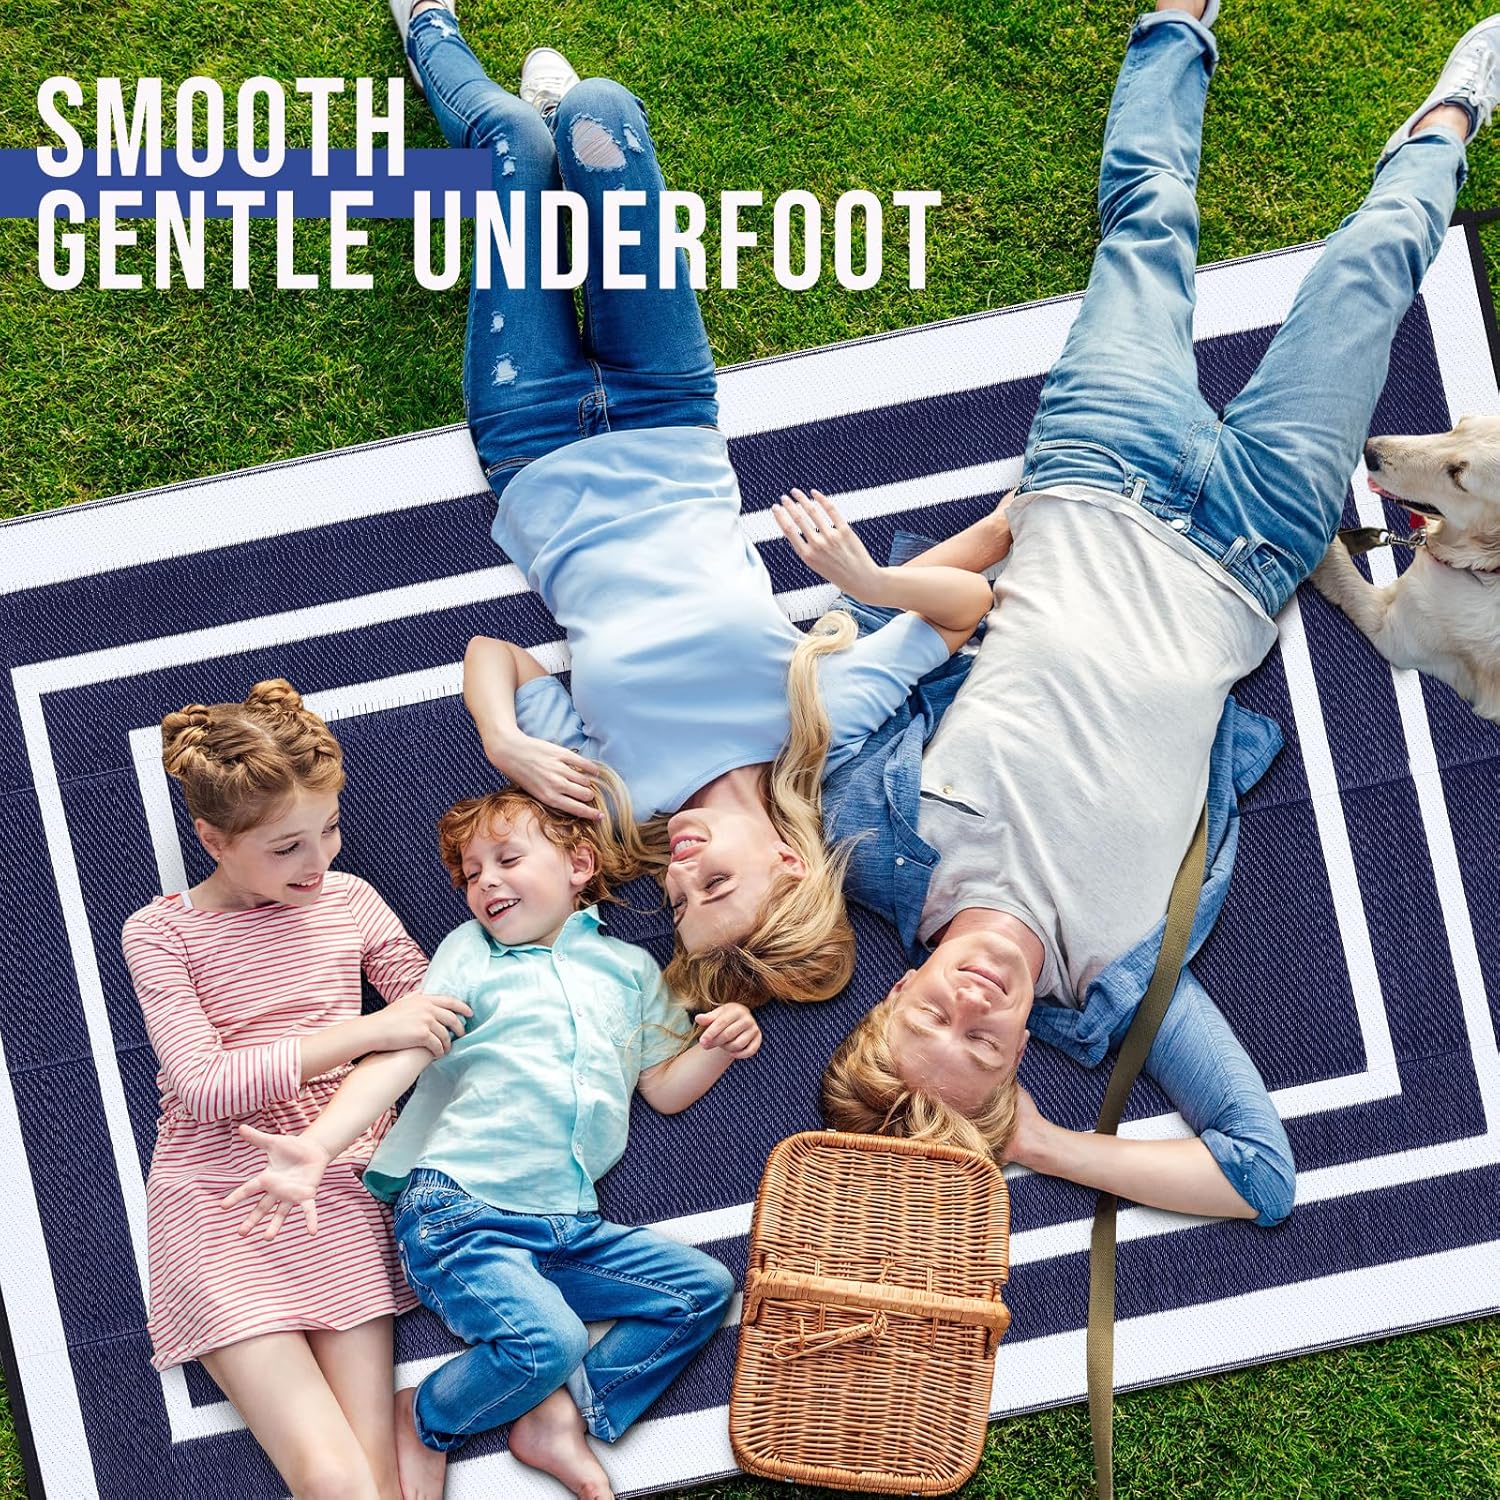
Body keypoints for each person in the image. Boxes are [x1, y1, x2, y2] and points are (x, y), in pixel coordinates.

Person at [815, 1, 1500, 1225]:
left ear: (895, 992)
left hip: (1094, 467)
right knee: (1372, 271)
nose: (973, 1006)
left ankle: (1175, 25)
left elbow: (838, 690)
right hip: (1260, 538)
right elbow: (1258, 1175)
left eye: (933, 1017)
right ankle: (1447, 123)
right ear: (1016, 1064)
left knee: (1148, 225)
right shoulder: (1123, 983)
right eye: (984, 1045)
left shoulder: (868, 841)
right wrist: (1043, 1144)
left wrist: (971, 545)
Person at [391, 0, 995, 1013]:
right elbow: (964, 611)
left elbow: (494, 655)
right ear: (790, 863)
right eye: (714, 886)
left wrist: (503, 739)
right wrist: (868, 580)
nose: (679, 874)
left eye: (678, 901)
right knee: (600, 108)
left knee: (510, 146)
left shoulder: (616, 802)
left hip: (532, 441)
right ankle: (575, 153)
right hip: (667, 412)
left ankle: (428, 29)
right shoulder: (818, 727)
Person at [225, 780, 759, 1500]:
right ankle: (427, 1418)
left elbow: (662, 1086)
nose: (486, 883)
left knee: (701, 1290)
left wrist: (719, 1047)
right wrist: (319, 1145)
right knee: (549, 1341)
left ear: (578, 866)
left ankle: (562, 1413)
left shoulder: (631, 970)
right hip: (460, 1212)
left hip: (568, 1222)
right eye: (472, 874)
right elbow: (404, 1054)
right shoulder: (472, 953)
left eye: (507, 860)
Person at [119, 679, 473, 1500]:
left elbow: (437, 1015)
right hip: (221, 1202)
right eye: (286, 848)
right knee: (332, 1479)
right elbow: (206, 1086)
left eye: (331, 830)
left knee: (376, 1477)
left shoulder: (351, 901)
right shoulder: (161, 931)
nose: (319, 863)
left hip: (339, 1188)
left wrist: (406, 1028)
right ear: (212, 839)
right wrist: (369, 1030)